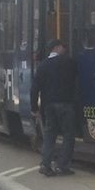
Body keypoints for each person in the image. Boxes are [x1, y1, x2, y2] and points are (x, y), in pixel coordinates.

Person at [30, 38, 78, 175]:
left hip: (48, 105)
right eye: (63, 47)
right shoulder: (69, 62)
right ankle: (62, 165)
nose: (65, 49)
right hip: (65, 104)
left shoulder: (43, 65)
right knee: (69, 134)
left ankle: (45, 164)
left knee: (50, 134)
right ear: (56, 48)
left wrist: (34, 108)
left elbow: (34, 88)